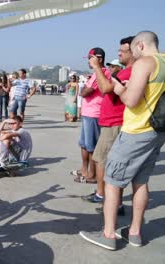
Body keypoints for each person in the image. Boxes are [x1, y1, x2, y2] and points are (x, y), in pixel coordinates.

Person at [80, 31, 165, 251]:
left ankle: (108, 234)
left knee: (113, 183)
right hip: (157, 131)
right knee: (141, 181)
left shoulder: (145, 63)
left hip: (136, 130)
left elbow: (130, 99)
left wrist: (119, 87)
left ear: (140, 45)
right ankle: (135, 232)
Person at [81, 37, 135, 212]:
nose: (118, 53)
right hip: (110, 122)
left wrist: (97, 67)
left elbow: (103, 89)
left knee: (103, 161)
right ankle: (110, 198)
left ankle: (105, 197)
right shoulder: (126, 72)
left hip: (114, 123)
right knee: (105, 160)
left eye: (122, 51)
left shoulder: (126, 72)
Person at [71, 48, 109, 184]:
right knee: (84, 144)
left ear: (99, 58)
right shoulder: (95, 74)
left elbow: (85, 92)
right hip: (88, 113)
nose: (88, 61)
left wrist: (84, 89)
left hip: (94, 114)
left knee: (92, 147)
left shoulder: (102, 73)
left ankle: (92, 175)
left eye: (90, 58)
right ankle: (85, 170)